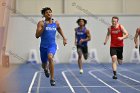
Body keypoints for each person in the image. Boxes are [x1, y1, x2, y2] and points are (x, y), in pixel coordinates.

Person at [35, 7, 67, 86]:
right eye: (47, 12)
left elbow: (59, 29)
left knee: (50, 57)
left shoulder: (55, 23)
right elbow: (37, 35)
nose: (49, 13)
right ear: (44, 15)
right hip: (43, 47)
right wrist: (44, 28)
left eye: (50, 12)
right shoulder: (41, 23)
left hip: (52, 45)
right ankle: (46, 69)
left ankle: (52, 78)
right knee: (44, 64)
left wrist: (64, 38)